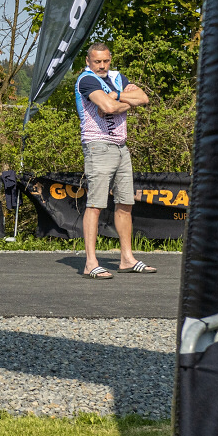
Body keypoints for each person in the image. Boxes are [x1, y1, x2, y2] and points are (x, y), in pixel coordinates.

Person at [75, 41, 154, 278]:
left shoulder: (118, 78)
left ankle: (127, 259)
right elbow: (107, 107)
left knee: (125, 203)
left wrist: (117, 95)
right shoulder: (86, 80)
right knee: (95, 205)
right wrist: (125, 102)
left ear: (110, 59)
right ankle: (90, 263)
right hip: (98, 146)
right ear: (88, 61)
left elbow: (144, 98)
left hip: (121, 146)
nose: (102, 65)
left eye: (105, 61)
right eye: (97, 61)